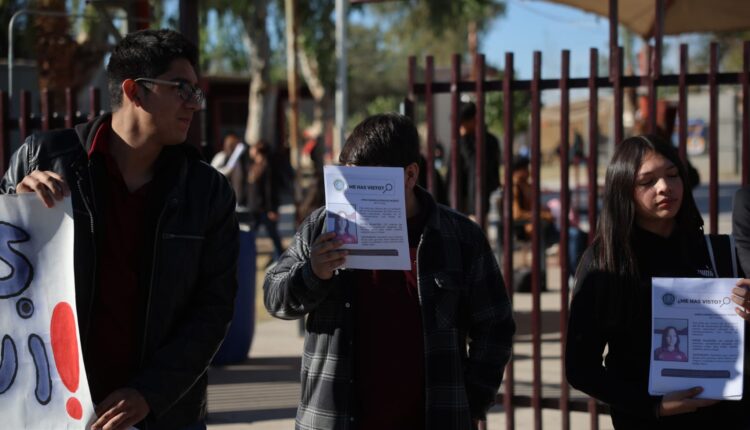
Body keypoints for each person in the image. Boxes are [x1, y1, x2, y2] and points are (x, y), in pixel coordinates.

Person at [0, 29, 239, 430]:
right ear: (135, 91)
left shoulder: (207, 192)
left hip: (162, 413)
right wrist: (17, 206)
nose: (194, 105)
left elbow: (214, 310)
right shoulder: (44, 158)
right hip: (53, 406)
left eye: (197, 92)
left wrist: (151, 392)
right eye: (182, 89)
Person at [264, 113, 515, 430]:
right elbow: (274, 297)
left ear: (409, 176)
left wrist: (473, 400)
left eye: (367, 185)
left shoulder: (460, 238)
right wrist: (313, 272)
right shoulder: (322, 226)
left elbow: (495, 325)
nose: (353, 197)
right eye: (348, 182)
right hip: (336, 419)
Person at [566, 134, 750, 429]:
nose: (664, 187)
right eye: (647, 181)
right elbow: (580, 368)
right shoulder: (604, 263)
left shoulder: (720, 252)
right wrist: (654, 407)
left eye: (672, 175)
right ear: (623, 189)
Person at [449, 102, 501, 218]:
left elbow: (475, 167)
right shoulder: (459, 141)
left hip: (477, 203)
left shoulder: (488, 141)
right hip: (458, 203)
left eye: (463, 123)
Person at [247, 140, 284, 261]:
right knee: (250, 235)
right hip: (254, 208)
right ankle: (250, 256)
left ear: (257, 150)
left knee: (273, 235)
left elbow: (270, 190)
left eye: (252, 148)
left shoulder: (267, 166)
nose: (250, 150)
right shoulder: (253, 165)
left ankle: (282, 257)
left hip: (264, 209)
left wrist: (271, 209)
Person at [210, 132, 249, 208]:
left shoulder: (239, 160)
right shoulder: (220, 156)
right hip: (221, 197)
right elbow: (213, 173)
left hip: (236, 198)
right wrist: (228, 169)